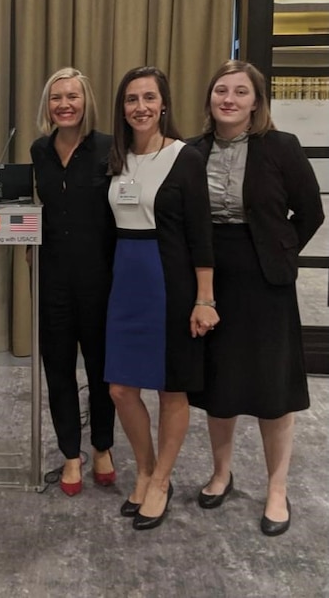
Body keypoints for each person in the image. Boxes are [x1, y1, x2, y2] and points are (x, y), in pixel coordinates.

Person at [189, 60, 324, 536]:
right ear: (209, 98)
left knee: (272, 390)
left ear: (256, 101)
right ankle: (221, 473)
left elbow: (311, 211)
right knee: (219, 385)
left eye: (240, 92)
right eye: (221, 90)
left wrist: (280, 251)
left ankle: (277, 488)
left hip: (266, 280)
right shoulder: (192, 150)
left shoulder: (281, 147)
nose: (229, 98)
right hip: (211, 279)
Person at [105, 66, 217, 530]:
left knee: (172, 387)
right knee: (121, 388)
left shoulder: (185, 157)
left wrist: (204, 298)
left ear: (164, 104)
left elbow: (201, 233)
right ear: (122, 108)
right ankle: (146, 466)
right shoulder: (116, 158)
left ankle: (161, 480)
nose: (141, 107)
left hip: (169, 280)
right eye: (132, 99)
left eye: (149, 98)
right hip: (124, 279)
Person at [30, 67, 117, 496]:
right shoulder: (39, 150)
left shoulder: (109, 148)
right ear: (47, 105)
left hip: (101, 279)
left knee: (103, 371)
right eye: (55, 97)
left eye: (72, 97)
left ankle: (102, 446)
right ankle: (70, 454)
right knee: (58, 370)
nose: (64, 104)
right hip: (52, 278)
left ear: (86, 103)